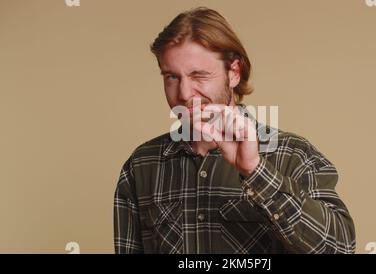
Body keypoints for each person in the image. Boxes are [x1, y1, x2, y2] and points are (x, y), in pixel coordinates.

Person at [114, 7, 355, 254]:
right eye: (172, 77)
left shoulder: (294, 155)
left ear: (234, 73)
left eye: (199, 75)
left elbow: (341, 248)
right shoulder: (141, 165)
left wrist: (255, 170)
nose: (184, 94)